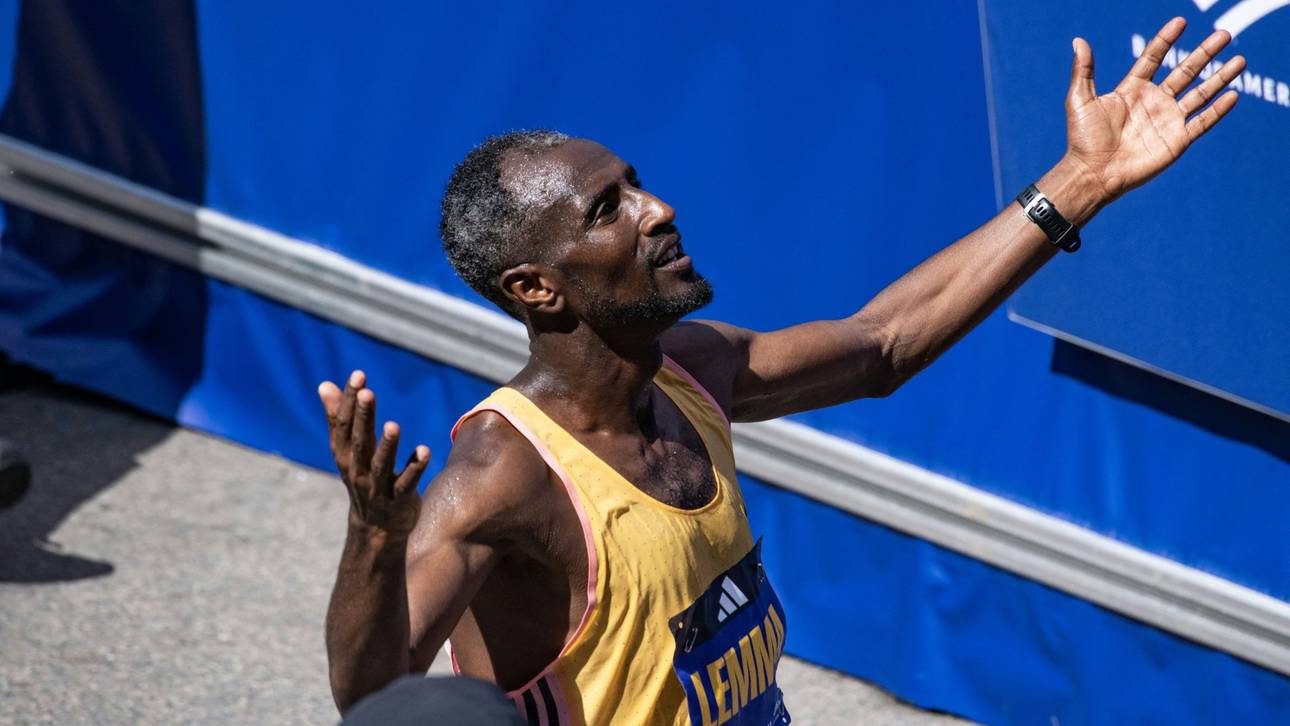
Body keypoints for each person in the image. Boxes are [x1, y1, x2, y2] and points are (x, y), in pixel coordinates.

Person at [318, 18, 1243, 725]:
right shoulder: (503, 478)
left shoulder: (688, 371)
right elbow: (372, 697)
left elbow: (883, 343)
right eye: (610, 208)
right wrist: (372, 536)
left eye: (636, 182)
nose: (658, 209)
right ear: (538, 288)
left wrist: (1080, 181)